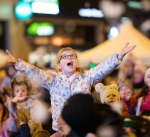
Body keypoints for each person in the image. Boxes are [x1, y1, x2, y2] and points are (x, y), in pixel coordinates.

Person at [6, 42, 136, 132]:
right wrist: (18, 63)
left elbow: (102, 68)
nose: (69, 58)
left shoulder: (86, 77)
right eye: (65, 57)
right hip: (61, 128)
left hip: (82, 127)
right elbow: (35, 72)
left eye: (72, 56)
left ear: (77, 61)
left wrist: (119, 56)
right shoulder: (53, 80)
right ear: (59, 65)